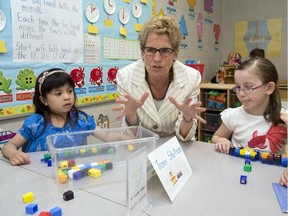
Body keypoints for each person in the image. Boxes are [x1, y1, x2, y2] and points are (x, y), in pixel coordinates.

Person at [1, 68, 133, 166]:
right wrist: (14, 154)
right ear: (44, 100)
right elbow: (9, 146)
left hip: (73, 174)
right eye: (58, 93)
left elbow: (108, 136)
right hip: (40, 177)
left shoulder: (81, 119)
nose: (67, 97)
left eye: (70, 91)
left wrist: (130, 139)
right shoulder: (35, 123)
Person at [113, 16, 206, 141]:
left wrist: (187, 119)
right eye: (150, 50)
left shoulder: (191, 78)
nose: (157, 58)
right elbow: (130, 136)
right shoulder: (126, 77)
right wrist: (131, 117)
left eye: (165, 50)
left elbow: (185, 136)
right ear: (142, 53)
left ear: (176, 54)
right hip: (143, 145)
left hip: (176, 148)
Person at [212, 58, 287, 154]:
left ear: (269, 88)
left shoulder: (284, 118)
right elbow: (216, 137)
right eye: (238, 87)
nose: (241, 94)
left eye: (248, 87)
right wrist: (220, 140)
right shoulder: (233, 115)